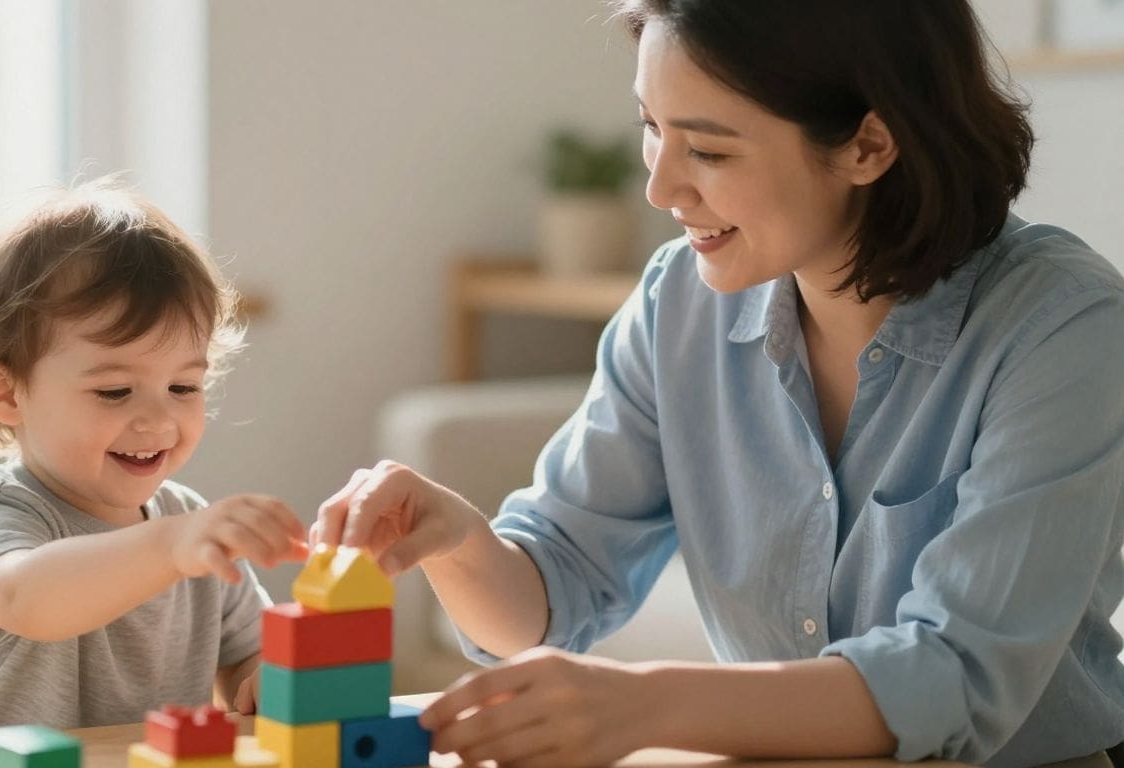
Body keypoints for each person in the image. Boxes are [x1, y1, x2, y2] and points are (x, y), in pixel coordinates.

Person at [312, 1, 1124, 766]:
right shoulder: (679, 301)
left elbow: (958, 675)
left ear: (869, 147)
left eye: (707, 150)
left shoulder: (1063, 327)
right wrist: (458, 539)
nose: (660, 189)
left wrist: (647, 703)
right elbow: (552, 589)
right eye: (650, 130)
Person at [0, 179, 307, 738]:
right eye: (115, 392)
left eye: (184, 388)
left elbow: (248, 660)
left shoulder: (188, 524)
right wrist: (172, 546)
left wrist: (270, 675)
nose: (158, 421)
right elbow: (28, 599)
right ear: (4, 393)